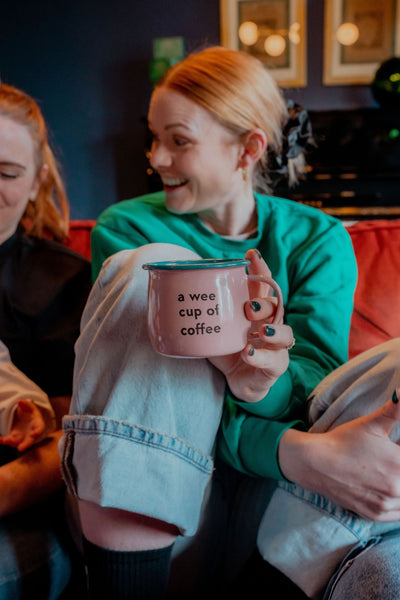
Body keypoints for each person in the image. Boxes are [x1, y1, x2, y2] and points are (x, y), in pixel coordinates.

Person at [60, 46, 400, 600]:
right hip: (156, 499)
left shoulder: (317, 240)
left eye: (178, 140)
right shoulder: (126, 229)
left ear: (248, 148)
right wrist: (292, 451)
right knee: (145, 267)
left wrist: (263, 382)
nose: (157, 158)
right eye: (154, 138)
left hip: (277, 508)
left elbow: (316, 397)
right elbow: (132, 401)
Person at [0, 83, 92, 599]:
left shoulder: (64, 282)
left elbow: (77, 442)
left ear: (36, 182)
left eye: (6, 173)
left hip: (28, 511)